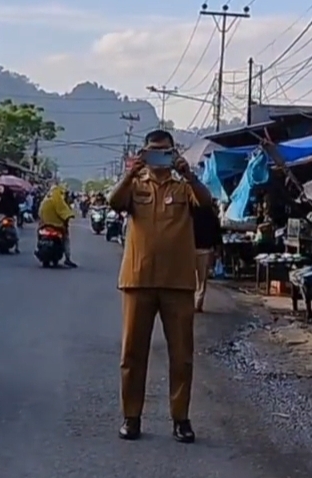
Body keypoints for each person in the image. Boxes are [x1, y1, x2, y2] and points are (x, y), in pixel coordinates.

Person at [108, 129, 211, 443]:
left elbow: (205, 204)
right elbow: (114, 202)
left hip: (178, 282)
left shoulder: (184, 188)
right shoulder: (135, 185)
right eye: (153, 151)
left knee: (182, 355)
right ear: (144, 152)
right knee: (132, 354)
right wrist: (131, 172)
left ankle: (181, 418)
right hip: (138, 279)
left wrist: (188, 173)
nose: (159, 157)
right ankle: (131, 417)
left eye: (165, 151)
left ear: (174, 152)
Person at [192, 203, 222, 312]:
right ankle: (198, 303)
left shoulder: (190, 212)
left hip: (190, 248)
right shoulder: (211, 215)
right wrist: (217, 250)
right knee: (202, 279)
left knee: (189, 278)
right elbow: (217, 234)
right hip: (205, 249)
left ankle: (190, 303)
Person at [38, 184, 77, 267]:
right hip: (57, 226)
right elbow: (63, 212)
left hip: (44, 225)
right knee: (66, 239)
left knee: (39, 234)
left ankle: (39, 248)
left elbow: (39, 213)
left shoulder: (45, 201)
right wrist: (69, 216)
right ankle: (67, 258)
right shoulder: (58, 201)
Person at [0, 186, 21, 253]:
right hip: (11, 216)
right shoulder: (13, 200)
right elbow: (17, 210)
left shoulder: (3, 200)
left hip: (4, 216)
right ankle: (17, 247)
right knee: (15, 228)